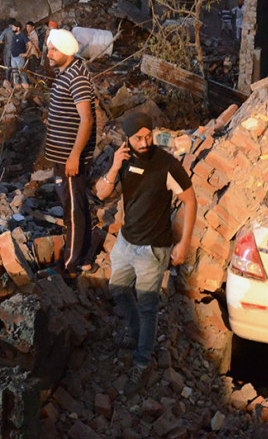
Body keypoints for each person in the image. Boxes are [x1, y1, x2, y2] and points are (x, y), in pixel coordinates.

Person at [95, 113, 196, 390]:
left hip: (153, 248)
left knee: (147, 306)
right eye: (138, 138)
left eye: (148, 136)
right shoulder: (123, 160)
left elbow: (190, 200)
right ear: (127, 138)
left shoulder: (166, 164)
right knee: (118, 289)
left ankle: (142, 361)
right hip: (126, 242)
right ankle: (137, 331)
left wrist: (184, 242)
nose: (144, 142)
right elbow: (101, 193)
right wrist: (114, 167)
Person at [45, 28, 96, 275]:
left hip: (70, 158)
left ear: (66, 51)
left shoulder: (76, 77)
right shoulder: (66, 73)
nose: (49, 54)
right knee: (76, 204)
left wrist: (74, 155)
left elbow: (86, 119)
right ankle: (83, 257)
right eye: (49, 49)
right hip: (62, 156)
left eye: (54, 50)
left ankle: (70, 265)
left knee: (73, 210)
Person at [9, 21, 29, 86]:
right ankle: (16, 85)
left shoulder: (22, 35)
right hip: (13, 57)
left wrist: (26, 54)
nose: (12, 28)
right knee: (15, 72)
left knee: (22, 72)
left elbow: (30, 44)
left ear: (18, 28)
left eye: (13, 27)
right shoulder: (14, 35)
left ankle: (25, 85)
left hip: (19, 57)